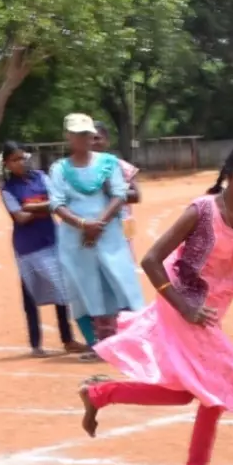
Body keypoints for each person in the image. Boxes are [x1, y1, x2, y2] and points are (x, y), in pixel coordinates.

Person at [81, 138, 233, 465]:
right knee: (214, 388)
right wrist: (184, 307)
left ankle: (100, 395)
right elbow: (151, 260)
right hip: (182, 302)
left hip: (213, 306)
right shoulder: (201, 211)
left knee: (182, 392)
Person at [48, 113, 141, 351]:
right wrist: (82, 225)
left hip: (108, 234)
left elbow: (120, 194)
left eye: (86, 134)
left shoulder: (109, 163)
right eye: (77, 134)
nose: (83, 138)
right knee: (85, 287)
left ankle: (134, 341)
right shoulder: (59, 169)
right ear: (68, 137)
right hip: (75, 238)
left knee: (120, 282)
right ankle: (100, 344)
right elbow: (57, 203)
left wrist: (97, 225)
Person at [0, 144, 80, 354]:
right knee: (30, 293)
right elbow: (20, 217)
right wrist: (46, 206)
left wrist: (32, 207)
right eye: (15, 159)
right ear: (7, 163)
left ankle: (68, 338)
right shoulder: (8, 188)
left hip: (52, 239)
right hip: (28, 246)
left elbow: (57, 200)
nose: (21, 162)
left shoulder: (41, 177)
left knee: (61, 290)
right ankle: (36, 344)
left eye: (22, 157)